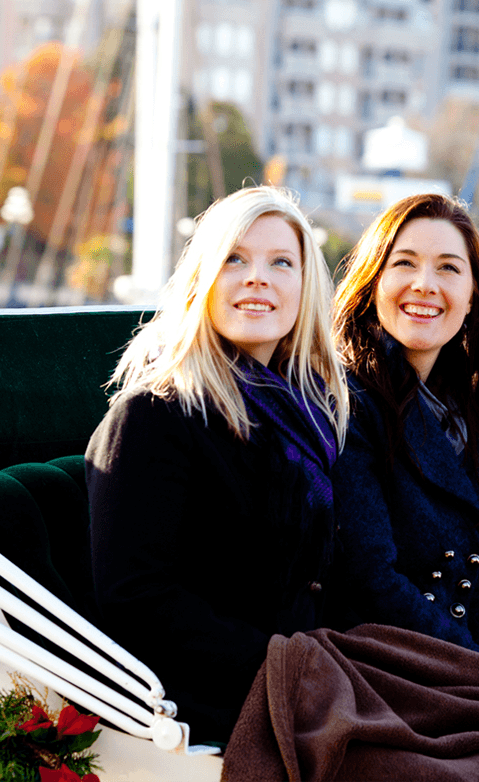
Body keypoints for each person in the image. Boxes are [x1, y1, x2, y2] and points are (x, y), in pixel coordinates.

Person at [86, 186, 348, 744]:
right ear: (203, 279)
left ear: (304, 288)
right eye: (235, 258)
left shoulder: (310, 416)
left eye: (281, 262)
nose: (258, 277)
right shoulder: (155, 415)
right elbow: (135, 599)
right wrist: (288, 669)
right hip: (209, 704)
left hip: (314, 680)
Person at [330, 192, 479, 660]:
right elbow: (372, 581)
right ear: (372, 283)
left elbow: (477, 591)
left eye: (448, 268)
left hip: (448, 657)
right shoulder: (345, 398)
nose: (425, 284)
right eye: (405, 263)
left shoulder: (476, 412)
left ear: (473, 297)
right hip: (376, 664)